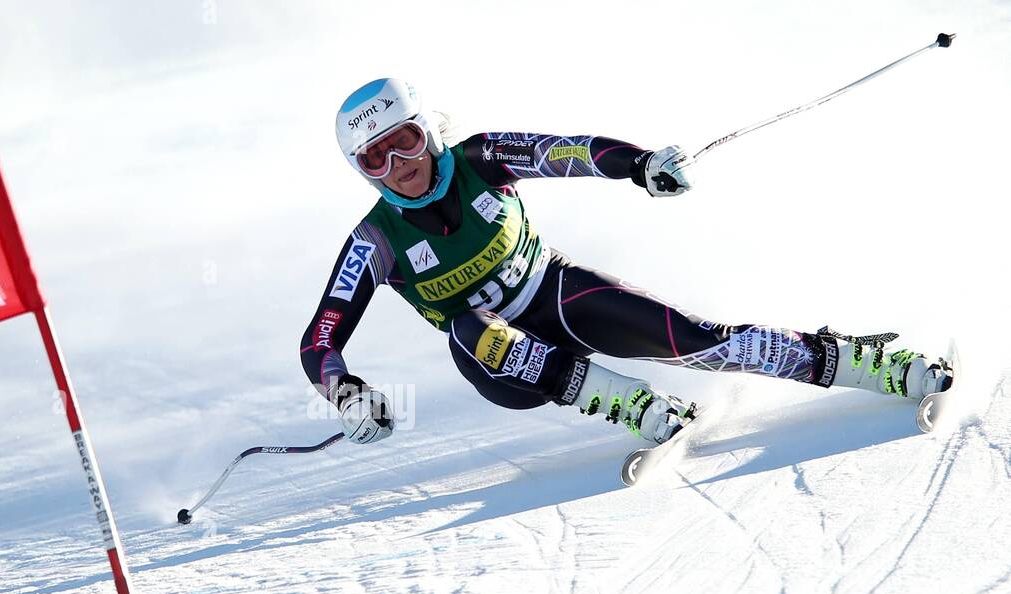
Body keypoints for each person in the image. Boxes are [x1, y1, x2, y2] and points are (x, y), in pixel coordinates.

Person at [300, 77, 953, 446]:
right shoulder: (374, 241)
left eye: (406, 140)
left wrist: (640, 166)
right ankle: (631, 406)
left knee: (700, 339)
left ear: (429, 130)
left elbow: (571, 151)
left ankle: (875, 369)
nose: (401, 167)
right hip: (501, 369)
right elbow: (320, 339)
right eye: (375, 159)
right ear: (360, 171)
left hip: (557, 293)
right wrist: (346, 392)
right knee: (470, 325)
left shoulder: (481, 158)